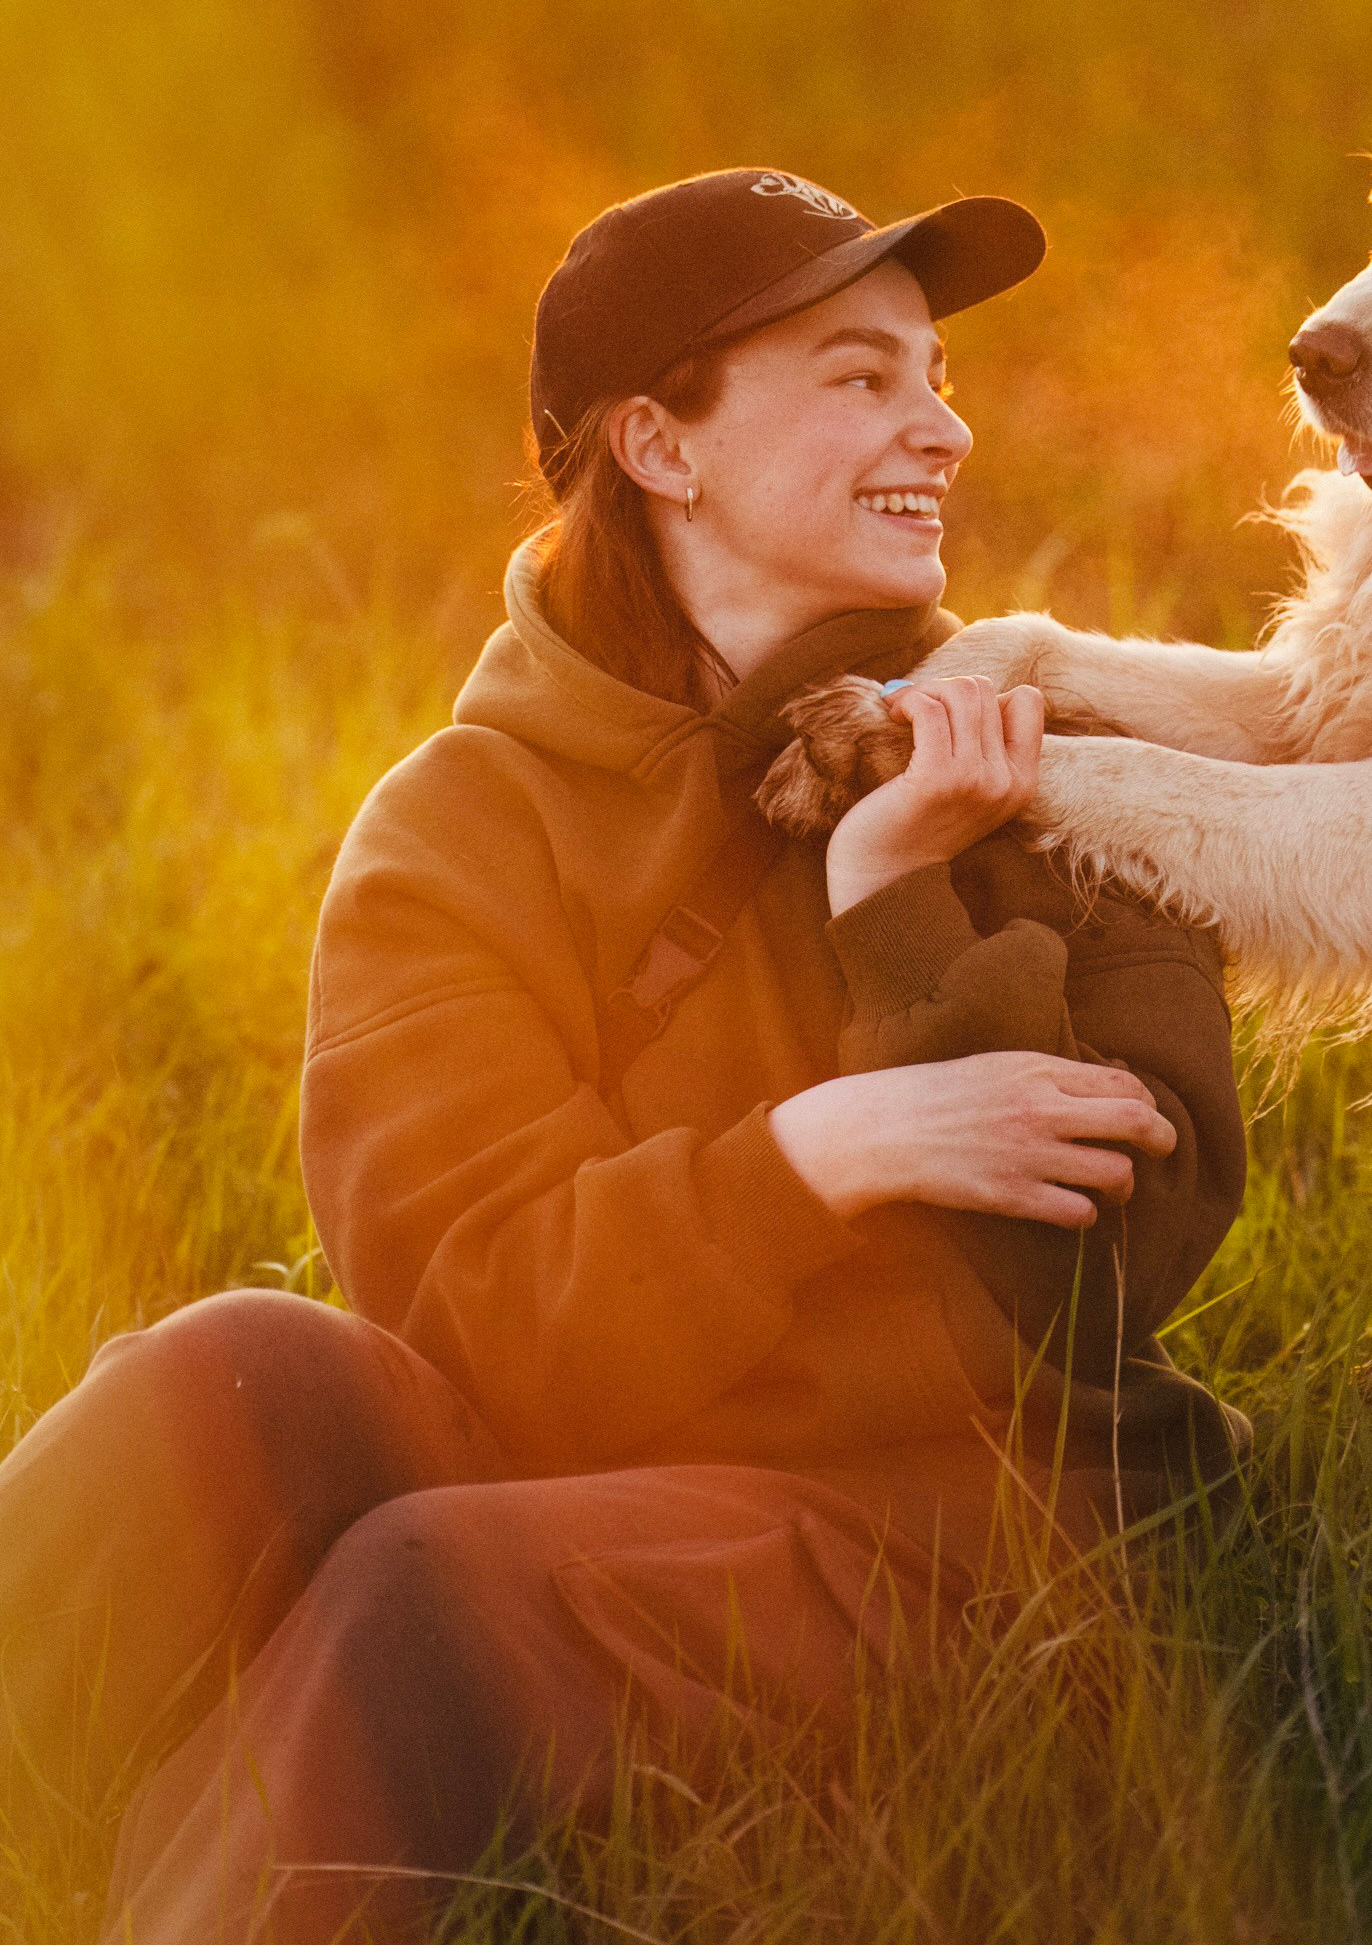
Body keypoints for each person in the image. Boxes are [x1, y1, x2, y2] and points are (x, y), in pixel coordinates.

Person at [0, 165, 1248, 1943]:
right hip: (601, 1451)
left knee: (435, 1596)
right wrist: (830, 1152)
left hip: (972, 1538)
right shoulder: (460, 826)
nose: (942, 430)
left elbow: (1102, 1268)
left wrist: (892, 893)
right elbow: (492, 1312)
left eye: (937, 376)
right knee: (225, 1385)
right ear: (661, 447)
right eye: (859, 377)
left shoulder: (1061, 760)